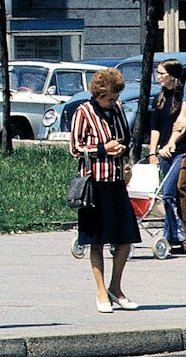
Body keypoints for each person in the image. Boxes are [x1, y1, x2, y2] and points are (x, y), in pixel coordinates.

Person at [72, 66, 139, 313]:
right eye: (109, 98)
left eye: (116, 97)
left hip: (116, 181)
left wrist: (121, 147)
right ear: (99, 94)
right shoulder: (84, 112)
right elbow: (75, 148)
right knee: (96, 240)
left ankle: (116, 287)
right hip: (94, 183)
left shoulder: (119, 110)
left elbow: (126, 138)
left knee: (126, 238)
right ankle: (101, 291)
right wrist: (102, 149)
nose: (113, 102)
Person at [148, 60, 184, 255]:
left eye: (162, 73)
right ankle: (172, 234)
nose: (158, 76)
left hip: (179, 151)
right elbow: (154, 128)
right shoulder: (159, 98)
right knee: (169, 194)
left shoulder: (181, 99)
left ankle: (174, 235)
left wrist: (172, 143)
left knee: (170, 192)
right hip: (163, 152)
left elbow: (180, 126)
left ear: (172, 75)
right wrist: (152, 152)